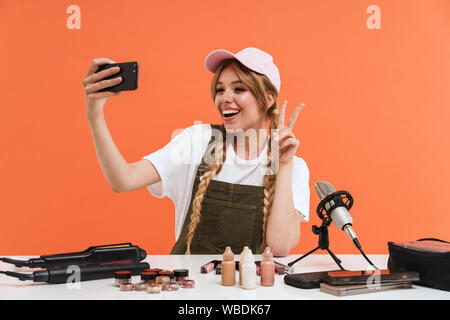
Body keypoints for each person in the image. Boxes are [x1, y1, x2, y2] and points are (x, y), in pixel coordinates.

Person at [82, 47, 309, 256]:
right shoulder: (197, 141)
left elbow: (279, 246)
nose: (225, 98)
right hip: (189, 291)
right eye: (220, 89)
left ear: (268, 99)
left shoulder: (294, 167)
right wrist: (94, 114)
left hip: (252, 295)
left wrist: (285, 165)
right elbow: (123, 180)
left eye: (239, 89)